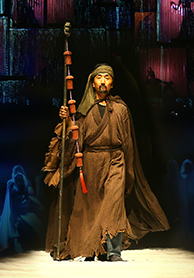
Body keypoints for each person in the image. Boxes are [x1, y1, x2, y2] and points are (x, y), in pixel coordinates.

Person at [43, 63, 169, 261]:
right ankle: (96, 248)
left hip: (116, 161)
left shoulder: (121, 109)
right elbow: (76, 141)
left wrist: (129, 173)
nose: (103, 81)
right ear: (92, 83)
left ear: (112, 84)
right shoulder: (83, 111)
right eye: (99, 77)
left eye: (107, 77)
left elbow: (128, 143)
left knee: (114, 204)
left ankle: (114, 251)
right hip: (91, 162)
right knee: (92, 206)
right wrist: (67, 121)